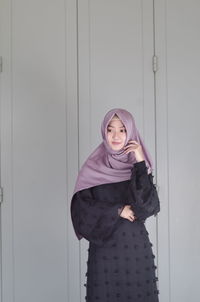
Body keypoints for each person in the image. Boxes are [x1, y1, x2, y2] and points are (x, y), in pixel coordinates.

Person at [71, 108, 160, 302]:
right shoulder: (92, 167)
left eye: (122, 130)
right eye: (111, 129)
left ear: (131, 132)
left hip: (136, 251)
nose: (116, 136)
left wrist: (139, 160)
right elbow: (81, 210)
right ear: (104, 131)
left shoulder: (139, 168)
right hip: (104, 251)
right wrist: (118, 210)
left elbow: (147, 207)